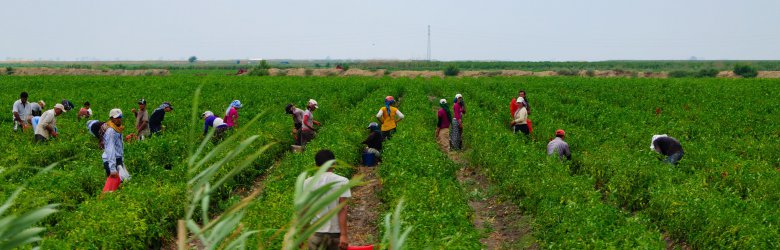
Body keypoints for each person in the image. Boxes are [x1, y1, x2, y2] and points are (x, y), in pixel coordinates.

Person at [304, 150, 350, 250]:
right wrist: (344, 235)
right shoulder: (342, 181)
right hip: (335, 235)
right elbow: (342, 209)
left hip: (315, 234)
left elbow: (305, 209)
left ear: (316, 165)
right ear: (334, 164)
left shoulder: (307, 182)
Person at [102, 109, 125, 188]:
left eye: (120, 117)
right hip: (111, 161)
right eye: (116, 118)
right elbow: (110, 149)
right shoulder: (111, 131)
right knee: (114, 187)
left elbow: (118, 146)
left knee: (121, 183)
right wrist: (112, 169)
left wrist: (121, 160)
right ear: (111, 119)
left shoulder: (118, 129)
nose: (119, 119)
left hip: (117, 160)